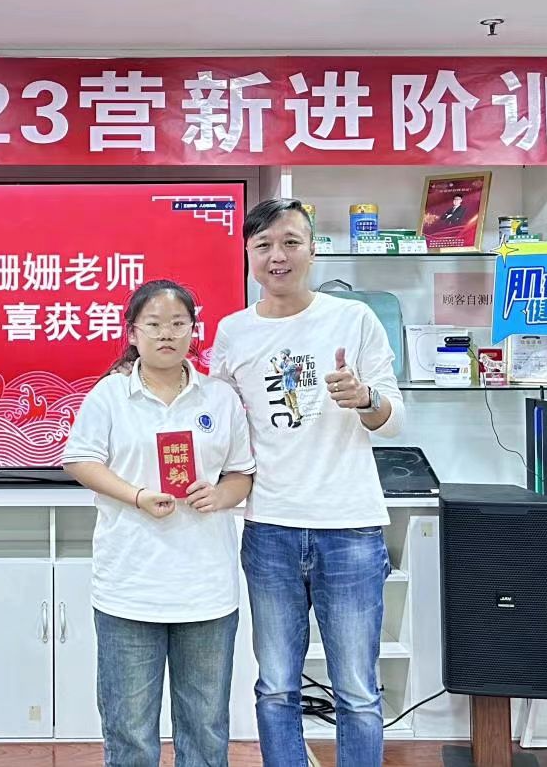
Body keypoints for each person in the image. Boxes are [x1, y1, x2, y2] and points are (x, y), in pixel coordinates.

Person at [210, 198, 405, 767]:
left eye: (291, 242)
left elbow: (395, 419)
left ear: (313, 250)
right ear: (248, 255)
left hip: (350, 528)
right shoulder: (233, 332)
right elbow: (219, 422)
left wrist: (364, 398)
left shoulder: (353, 319)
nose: (278, 256)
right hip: (268, 527)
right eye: (264, 245)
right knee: (275, 686)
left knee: (358, 692)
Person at [63, 279, 256, 767]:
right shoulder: (110, 396)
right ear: (133, 333)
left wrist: (220, 495)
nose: (166, 334)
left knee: (205, 727)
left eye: (177, 323)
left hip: (206, 590)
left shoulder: (219, 398)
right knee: (129, 731)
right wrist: (137, 496)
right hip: (129, 587)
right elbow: (80, 459)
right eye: (153, 324)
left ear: (194, 330)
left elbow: (241, 473)